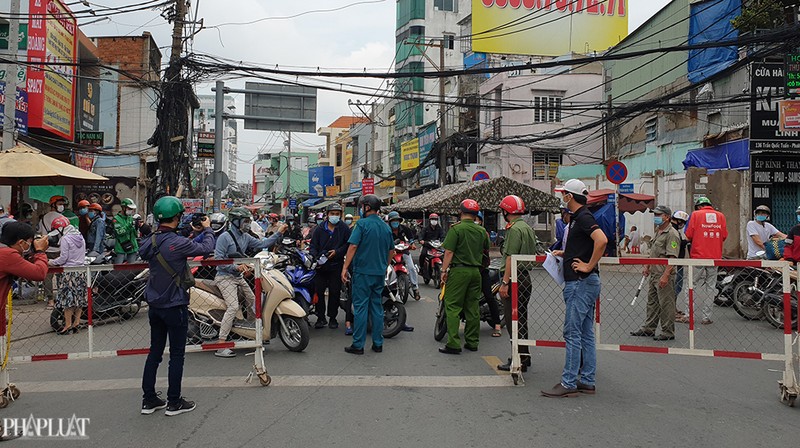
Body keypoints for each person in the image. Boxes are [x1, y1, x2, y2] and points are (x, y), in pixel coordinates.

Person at [138, 196, 215, 416]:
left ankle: (149, 399)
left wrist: (190, 232)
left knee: (154, 352)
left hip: (155, 305)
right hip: (175, 304)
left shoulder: (150, 241)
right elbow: (207, 247)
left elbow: (164, 244)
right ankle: (174, 402)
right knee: (177, 355)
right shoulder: (179, 243)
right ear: (178, 216)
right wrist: (207, 229)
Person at [542, 179, 607, 398]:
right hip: (586, 282)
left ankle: (569, 381)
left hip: (580, 282)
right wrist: (566, 253)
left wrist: (588, 266)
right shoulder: (580, 218)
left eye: (564, 195)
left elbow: (601, 240)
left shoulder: (583, 217)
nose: (563, 198)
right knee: (586, 333)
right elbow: (587, 244)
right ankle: (587, 380)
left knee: (572, 332)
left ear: (570, 196)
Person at [213, 207, 287, 358]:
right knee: (233, 307)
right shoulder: (224, 237)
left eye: (248, 221)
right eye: (245, 221)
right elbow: (218, 261)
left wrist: (279, 233)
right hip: (224, 277)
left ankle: (252, 336)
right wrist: (235, 266)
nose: (247, 224)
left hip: (238, 277)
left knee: (254, 302)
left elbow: (262, 244)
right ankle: (221, 345)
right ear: (235, 221)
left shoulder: (245, 237)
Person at [341, 194, 394, 355]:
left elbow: (352, 247)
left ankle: (358, 344)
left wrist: (345, 268)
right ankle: (378, 343)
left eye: (362, 206)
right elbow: (391, 251)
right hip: (379, 272)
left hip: (363, 272)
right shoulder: (386, 227)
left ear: (367, 207)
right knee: (376, 308)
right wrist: (385, 265)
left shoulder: (362, 224)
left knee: (361, 308)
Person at [438, 200, 490, 354]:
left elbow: (448, 252)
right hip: (476, 272)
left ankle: (453, 343)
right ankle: (472, 342)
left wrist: (443, 271)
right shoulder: (481, 231)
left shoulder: (456, 229)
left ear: (460, 212)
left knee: (453, 306)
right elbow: (486, 249)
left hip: (459, 271)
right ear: (475, 215)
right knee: (473, 308)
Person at [496, 194, 538, 372]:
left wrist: (504, 283)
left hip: (514, 278)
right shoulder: (526, 227)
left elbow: (510, 258)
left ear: (506, 211)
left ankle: (517, 359)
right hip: (525, 277)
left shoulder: (514, 230)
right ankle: (524, 356)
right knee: (521, 319)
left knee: (513, 320)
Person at [630, 205, 681, 341]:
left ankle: (668, 331)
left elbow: (672, 257)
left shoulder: (672, 234)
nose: (656, 217)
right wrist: (647, 265)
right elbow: (653, 251)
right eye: (655, 215)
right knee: (652, 302)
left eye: (659, 215)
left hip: (664, 274)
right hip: (654, 273)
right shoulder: (659, 231)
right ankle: (649, 328)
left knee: (666, 303)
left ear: (667, 217)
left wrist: (665, 275)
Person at [684, 196, 727, 325]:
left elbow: (688, 235)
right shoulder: (720, 216)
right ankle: (706, 317)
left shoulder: (695, 215)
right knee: (710, 287)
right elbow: (724, 235)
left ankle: (688, 315)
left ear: (698, 206)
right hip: (715, 257)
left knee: (691, 286)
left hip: (698, 256)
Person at [0, 222, 49, 333]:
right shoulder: (8, 255)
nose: (30, 246)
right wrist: (40, 252)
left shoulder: (3, 252)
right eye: (30, 242)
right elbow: (39, 273)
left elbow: (21, 265)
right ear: (21, 242)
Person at [309, 203, 351, 330]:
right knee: (319, 292)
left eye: (337, 214)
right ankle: (320, 318)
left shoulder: (344, 229)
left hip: (336, 265)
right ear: (327, 215)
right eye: (332, 214)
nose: (334, 216)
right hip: (321, 267)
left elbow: (348, 245)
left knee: (334, 292)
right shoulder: (319, 229)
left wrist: (337, 252)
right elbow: (313, 246)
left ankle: (333, 318)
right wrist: (315, 258)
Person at [47, 216, 87, 335]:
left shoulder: (65, 239)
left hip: (69, 272)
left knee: (67, 300)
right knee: (79, 299)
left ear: (61, 229)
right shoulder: (80, 236)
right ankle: (77, 323)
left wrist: (50, 262)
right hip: (81, 271)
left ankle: (68, 325)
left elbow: (63, 258)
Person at [476, 212, 502, 337]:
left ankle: (497, 325)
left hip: (482, 270)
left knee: (489, 296)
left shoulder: (483, 234)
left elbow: (485, 249)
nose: (474, 221)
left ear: (480, 221)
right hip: (469, 270)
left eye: (476, 219)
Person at [38, 195, 66, 310]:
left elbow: (40, 232)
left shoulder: (43, 218)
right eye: (60, 204)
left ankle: (50, 300)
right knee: (61, 275)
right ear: (54, 205)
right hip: (59, 250)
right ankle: (61, 298)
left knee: (48, 276)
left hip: (47, 250)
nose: (62, 206)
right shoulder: (62, 218)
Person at [387, 211, 421, 301]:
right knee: (386, 269)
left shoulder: (405, 229)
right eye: (393, 220)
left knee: (411, 268)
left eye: (397, 220)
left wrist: (412, 244)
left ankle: (415, 288)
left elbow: (410, 239)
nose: (395, 222)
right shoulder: (386, 230)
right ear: (390, 222)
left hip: (404, 251)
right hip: (391, 253)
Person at [418, 213, 446, 279]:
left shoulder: (439, 228)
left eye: (435, 219)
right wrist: (421, 240)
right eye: (433, 219)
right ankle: (421, 268)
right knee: (423, 254)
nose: (434, 220)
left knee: (444, 255)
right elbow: (421, 236)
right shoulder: (425, 228)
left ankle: (444, 269)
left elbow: (443, 236)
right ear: (430, 220)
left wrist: (443, 241)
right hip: (427, 245)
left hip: (437, 246)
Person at [113, 198, 140, 264]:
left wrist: (136, 225)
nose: (131, 211)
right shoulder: (116, 219)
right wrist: (129, 225)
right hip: (121, 247)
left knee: (131, 269)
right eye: (129, 209)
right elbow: (119, 232)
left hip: (132, 247)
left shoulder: (131, 218)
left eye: (132, 209)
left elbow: (135, 233)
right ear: (123, 208)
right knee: (118, 270)